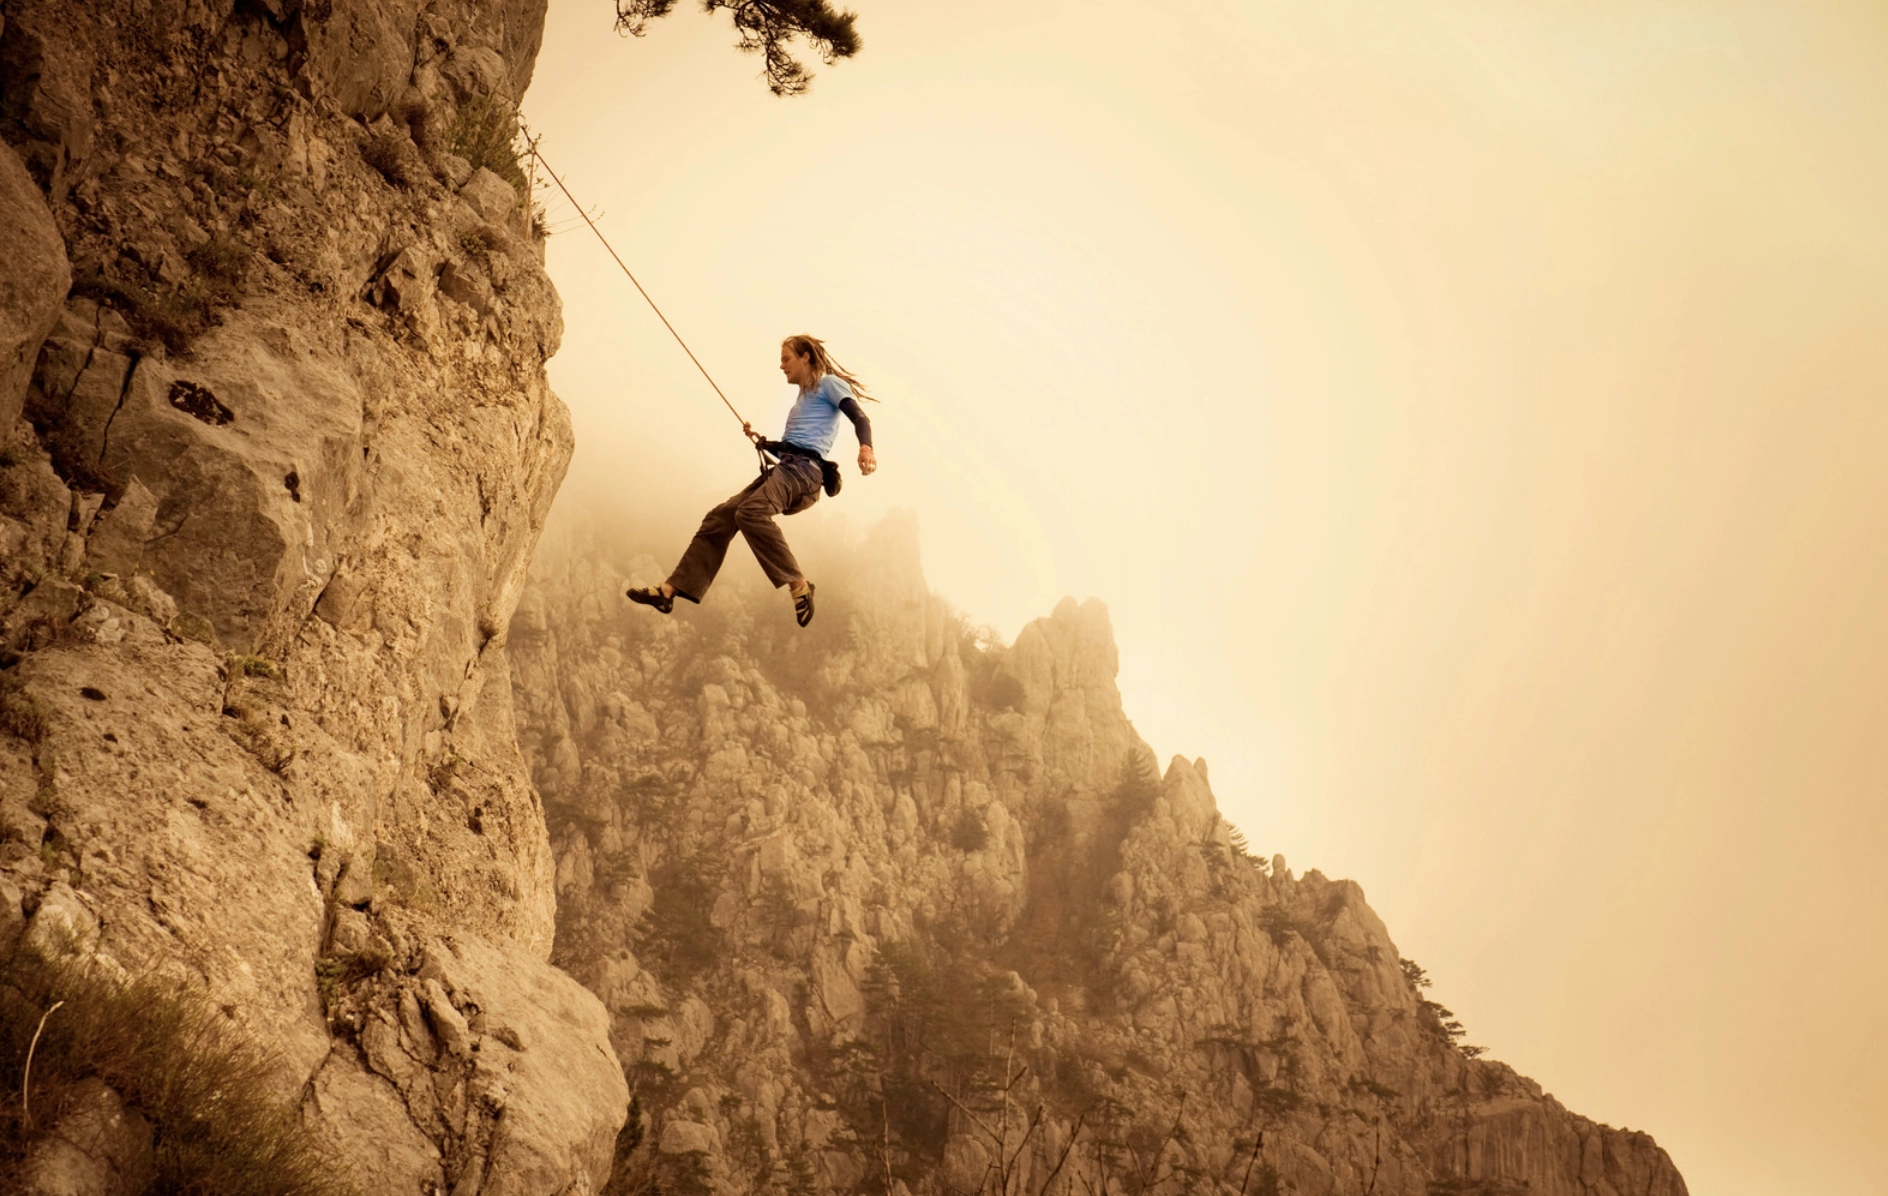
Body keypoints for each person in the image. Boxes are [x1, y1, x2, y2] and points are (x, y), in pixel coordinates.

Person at [626, 335, 878, 627]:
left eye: (786, 358)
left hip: (804, 474)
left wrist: (866, 448)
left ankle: (799, 585)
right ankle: (669, 591)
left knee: (750, 513)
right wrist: (766, 443)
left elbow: (860, 418)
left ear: (805, 357)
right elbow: (799, 442)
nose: (781, 365)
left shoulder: (829, 384)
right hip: (790, 467)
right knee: (720, 517)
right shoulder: (806, 395)